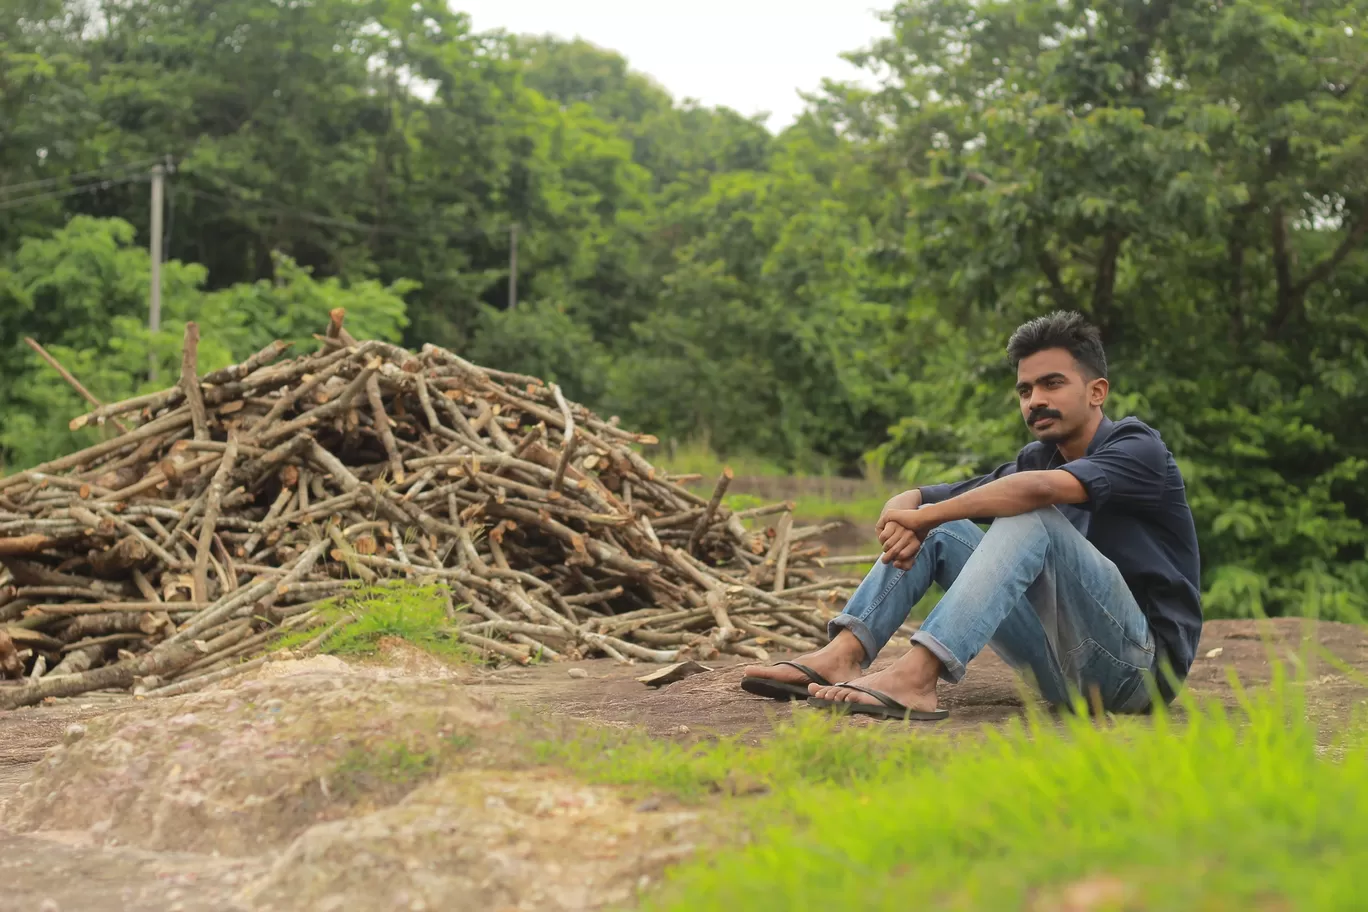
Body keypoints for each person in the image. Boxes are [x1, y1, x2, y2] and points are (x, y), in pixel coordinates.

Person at [740, 311, 1202, 719]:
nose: (1035, 399)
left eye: (1052, 383)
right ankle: (844, 653)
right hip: (1061, 673)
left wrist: (925, 513)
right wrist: (907, 502)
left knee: (1028, 514)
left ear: (1097, 390)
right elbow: (954, 494)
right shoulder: (1040, 456)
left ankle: (917, 677)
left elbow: (1034, 492)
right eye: (1025, 389)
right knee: (945, 531)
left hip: (1138, 672)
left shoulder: (1138, 448)